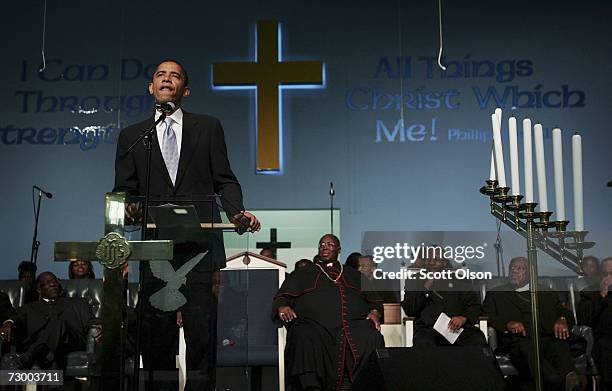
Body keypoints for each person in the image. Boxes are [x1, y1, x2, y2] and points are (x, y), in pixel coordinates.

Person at [113, 59, 260, 391]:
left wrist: (236, 212)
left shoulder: (207, 127)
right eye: (161, 75)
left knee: (201, 338)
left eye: (175, 75)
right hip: (155, 249)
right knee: (156, 339)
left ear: (185, 90)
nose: (167, 79)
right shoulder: (133, 136)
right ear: (151, 87)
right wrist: (129, 210)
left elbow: (225, 181)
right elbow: (124, 190)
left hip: (199, 250)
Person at [272, 234, 384, 390]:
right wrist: (283, 307)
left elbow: (375, 302)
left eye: (330, 244)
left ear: (339, 249)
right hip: (313, 326)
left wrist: (375, 313)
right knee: (303, 335)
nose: (325, 246)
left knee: (371, 335)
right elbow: (281, 296)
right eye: (322, 244)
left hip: (352, 326)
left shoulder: (354, 275)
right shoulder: (303, 273)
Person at [484, 257, 582, 390]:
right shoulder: (496, 294)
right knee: (528, 349)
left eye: (520, 268)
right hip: (518, 341)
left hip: (546, 337)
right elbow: (486, 316)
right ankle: (557, 383)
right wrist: (507, 324)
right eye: (512, 268)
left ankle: (570, 381)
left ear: (531, 273)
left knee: (559, 345)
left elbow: (566, 313)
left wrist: (562, 319)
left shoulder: (545, 292)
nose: (514, 271)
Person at [0, 272, 97, 370]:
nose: (52, 284)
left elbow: (91, 320)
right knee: (49, 354)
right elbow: (17, 318)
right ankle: (47, 375)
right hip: (44, 344)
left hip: (70, 339)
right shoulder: (29, 307)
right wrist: (9, 322)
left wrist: (98, 325)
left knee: (58, 322)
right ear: (39, 289)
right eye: (47, 282)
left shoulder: (78, 303)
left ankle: (28, 356)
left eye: (54, 281)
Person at [402, 253, 485, 347]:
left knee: (477, 339)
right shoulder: (414, 281)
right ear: (424, 262)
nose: (432, 262)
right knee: (423, 342)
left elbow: (475, 306)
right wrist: (426, 286)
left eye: (436, 259)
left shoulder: (460, 280)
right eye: (429, 259)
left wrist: (463, 318)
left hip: (457, 329)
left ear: (444, 262)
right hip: (428, 330)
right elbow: (410, 309)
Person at [578, 257, 612, 390]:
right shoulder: (589, 293)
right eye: (605, 273)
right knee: (606, 346)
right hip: (602, 338)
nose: (609, 277)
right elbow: (584, 321)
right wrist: (602, 296)